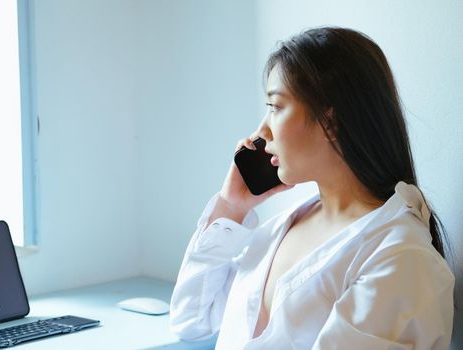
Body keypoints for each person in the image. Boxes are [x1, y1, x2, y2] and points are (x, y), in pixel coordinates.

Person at [169, 27, 455, 350]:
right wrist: (231, 208)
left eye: (275, 106)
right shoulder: (282, 226)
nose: (261, 130)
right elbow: (189, 319)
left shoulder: (399, 259)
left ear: (330, 123)